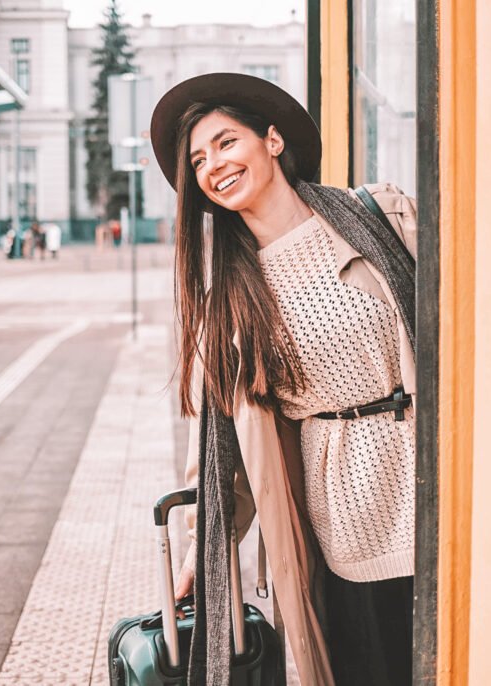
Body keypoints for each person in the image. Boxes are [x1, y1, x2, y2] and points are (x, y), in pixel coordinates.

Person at [150, 73, 417, 686]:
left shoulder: (379, 214)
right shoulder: (230, 303)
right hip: (348, 518)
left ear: (271, 140)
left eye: (225, 142)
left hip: (437, 484)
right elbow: (222, 452)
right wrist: (204, 548)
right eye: (198, 160)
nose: (214, 165)